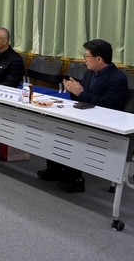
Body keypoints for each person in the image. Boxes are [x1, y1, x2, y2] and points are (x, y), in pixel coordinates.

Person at [37, 39, 128, 193]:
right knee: (55, 126)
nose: (84, 60)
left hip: (104, 121)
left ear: (99, 59)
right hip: (85, 114)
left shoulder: (117, 78)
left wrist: (81, 93)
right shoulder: (89, 74)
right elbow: (81, 97)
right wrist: (73, 91)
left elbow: (109, 105)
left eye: (87, 56)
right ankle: (54, 169)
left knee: (72, 133)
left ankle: (75, 179)